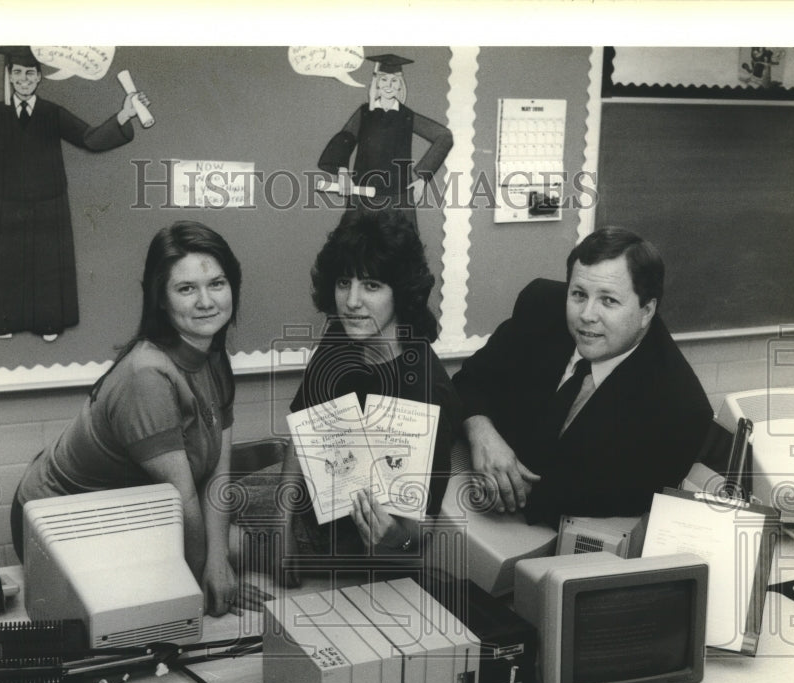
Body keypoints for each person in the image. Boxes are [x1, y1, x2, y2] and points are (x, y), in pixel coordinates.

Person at [11, 221, 242, 616]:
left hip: (131, 515)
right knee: (182, 601)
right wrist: (200, 582)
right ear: (161, 300)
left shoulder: (214, 354)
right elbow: (183, 499)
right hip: (56, 526)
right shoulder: (146, 375)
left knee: (238, 550)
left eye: (217, 284)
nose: (206, 301)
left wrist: (217, 562)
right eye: (186, 289)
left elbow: (218, 471)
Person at [452, 226, 712, 527]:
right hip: (471, 498)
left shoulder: (681, 409)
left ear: (646, 310)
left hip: (560, 536)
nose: (587, 314)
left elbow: (599, 501)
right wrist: (482, 434)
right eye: (578, 294)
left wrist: (503, 480)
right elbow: (469, 381)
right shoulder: (541, 307)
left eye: (608, 300)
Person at [278, 209, 462, 574]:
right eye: (344, 282)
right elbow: (301, 434)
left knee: (205, 543)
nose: (351, 301)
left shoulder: (425, 389)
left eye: (372, 285)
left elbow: (416, 535)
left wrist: (392, 536)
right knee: (203, 513)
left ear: (401, 293)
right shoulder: (341, 335)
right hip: (312, 500)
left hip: (356, 541)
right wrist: (280, 525)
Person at [0, 46, 150, 340]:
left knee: (48, 267)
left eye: (30, 74)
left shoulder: (52, 113)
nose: (23, 79)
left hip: (49, 204)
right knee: (8, 265)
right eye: (18, 73)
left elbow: (90, 139)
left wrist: (124, 114)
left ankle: (48, 323)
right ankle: (4, 321)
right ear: (10, 76)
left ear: (39, 78)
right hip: (5, 206)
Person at [318, 54, 453, 230]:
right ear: (377, 84)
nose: (389, 85)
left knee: (401, 252)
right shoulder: (365, 113)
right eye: (384, 80)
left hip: (398, 199)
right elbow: (345, 137)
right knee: (356, 251)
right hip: (363, 198)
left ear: (400, 86)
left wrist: (422, 178)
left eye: (394, 81)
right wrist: (342, 171)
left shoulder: (407, 116)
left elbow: (444, 136)